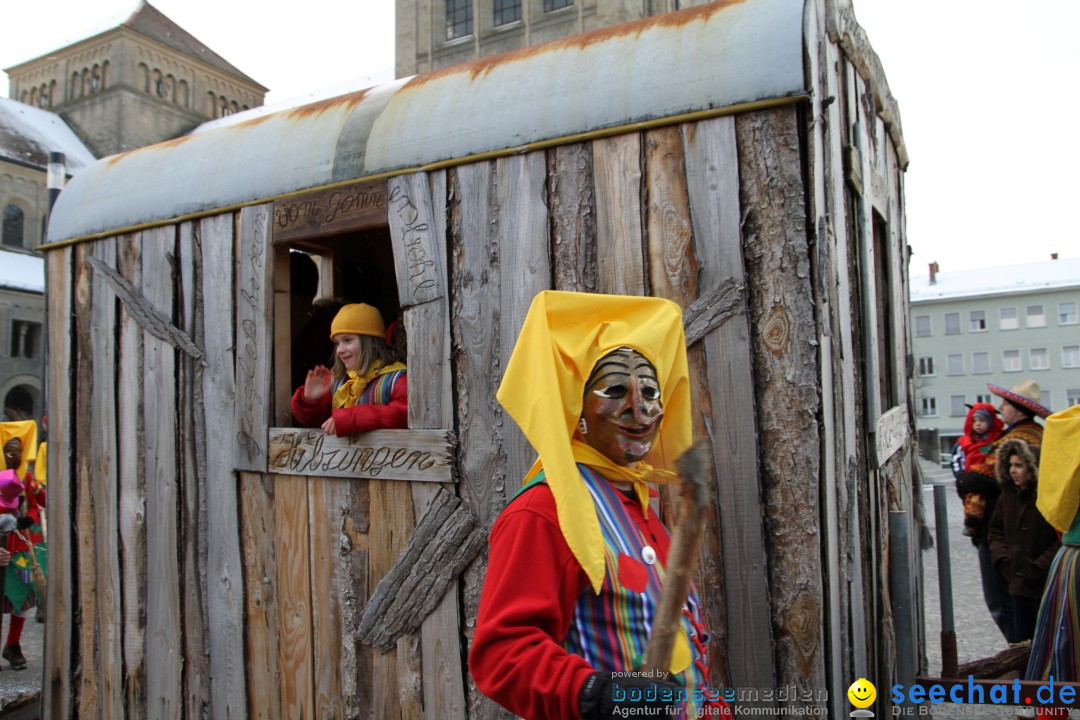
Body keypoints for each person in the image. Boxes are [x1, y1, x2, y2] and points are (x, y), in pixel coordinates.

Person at [469, 291, 728, 720]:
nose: (639, 407)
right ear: (578, 412)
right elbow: (502, 655)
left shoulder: (637, 500)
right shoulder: (542, 511)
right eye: (614, 390)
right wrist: (595, 693)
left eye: (649, 390)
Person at [957, 380, 1051, 644]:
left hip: (1005, 534)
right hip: (1009, 531)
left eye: (1005, 404)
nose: (1000, 408)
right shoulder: (1034, 433)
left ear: (1018, 409)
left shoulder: (1017, 440)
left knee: (1004, 602)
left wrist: (965, 480)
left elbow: (984, 477)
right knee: (1014, 602)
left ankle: (1017, 657)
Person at [290, 303, 408, 436]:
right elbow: (319, 422)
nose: (340, 350)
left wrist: (350, 418)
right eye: (337, 343)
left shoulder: (397, 379)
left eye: (348, 340)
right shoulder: (336, 380)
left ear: (372, 343)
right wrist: (310, 402)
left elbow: (404, 414)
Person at [1025, 403, 1080, 683]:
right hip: (1075, 557)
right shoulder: (1071, 428)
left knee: (1062, 647)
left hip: (1071, 556)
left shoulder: (1068, 427)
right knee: (1063, 647)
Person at [987, 438, 1060, 643]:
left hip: (1043, 583)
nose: (1013, 470)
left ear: (1032, 467)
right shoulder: (1008, 496)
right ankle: (1024, 675)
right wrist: (1003, 560)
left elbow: (1060, 537)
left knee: (1045, 641)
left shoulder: (1047, 498)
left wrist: (1040, 566)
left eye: (1019, 465)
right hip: (1017, 583)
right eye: (1010, 465)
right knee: (1022, 642)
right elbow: (995, 531)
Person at [0, 420, 45, 671]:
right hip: (1, 548)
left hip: (22, 550)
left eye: (17, 450)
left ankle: (13, 644)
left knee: (23, 598)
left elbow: (40, 502)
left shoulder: (27, 478)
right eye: (9, 450)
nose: (13, 455)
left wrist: (30, 519)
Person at [951, 403, 1004, 537]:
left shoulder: (999, 439)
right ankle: (971, 525)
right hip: (972, 481)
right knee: (972, 505)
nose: (978, 424)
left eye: (982, 421)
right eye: (974, 421)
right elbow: (957, 460)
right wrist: (961, 477)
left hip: (991, 480)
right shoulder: (965, 442)